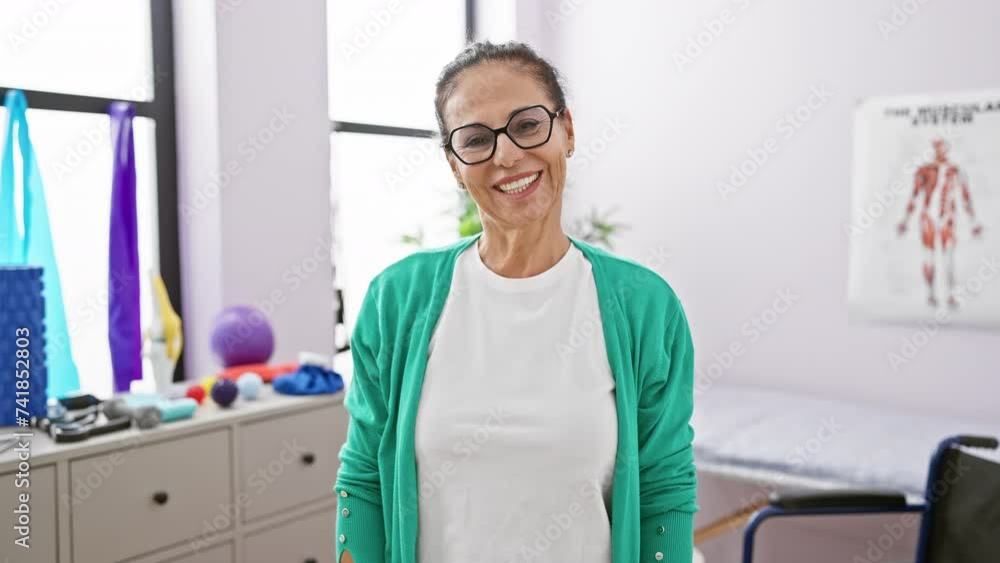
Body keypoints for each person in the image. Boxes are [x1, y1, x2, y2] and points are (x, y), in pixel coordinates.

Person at [335, 41, 697, 563]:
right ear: (455, 165)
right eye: (476, 139)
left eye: (527, 125)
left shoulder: (644, 307)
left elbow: (664, 487)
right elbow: (365, 476)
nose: (506, 155)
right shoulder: (397, 300)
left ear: (566, 129)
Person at [897, 138, 984, 308]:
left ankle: (950, 295)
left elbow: (965, 197)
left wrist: (973, 223)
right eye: (937, 147)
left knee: (949, 257)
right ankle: (930, 294)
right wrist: (905, 220)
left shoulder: (956, 171)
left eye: (942, 148)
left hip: (947, 218)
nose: (940, 151)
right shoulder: (924, 170)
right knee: (929, 256)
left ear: (947, 150)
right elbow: (914, 196)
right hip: (928, 217)